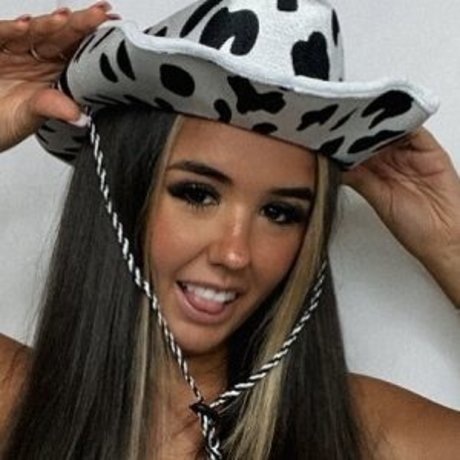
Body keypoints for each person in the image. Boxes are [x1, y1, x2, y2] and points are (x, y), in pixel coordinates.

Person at [0, 1, 459, 459]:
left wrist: (450, 241)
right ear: (119, 188)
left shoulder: (362, 433)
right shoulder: (19, 402)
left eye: (279, 213)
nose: (235, 253)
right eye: (197, 194)